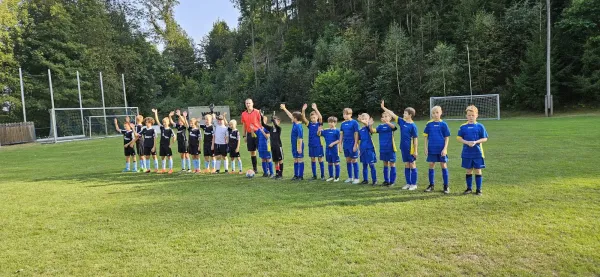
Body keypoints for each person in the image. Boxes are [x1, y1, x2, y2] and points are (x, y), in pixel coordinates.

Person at [381, 101, 419, 190]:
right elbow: (392, 114)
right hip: (403, 147)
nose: (403, 114)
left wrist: (416, 150)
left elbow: (415, 139)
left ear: (410, 115)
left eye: (405, 113)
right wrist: (383, 107)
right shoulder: (402, 122)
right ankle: (408, 183)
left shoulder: (413, 126)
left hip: (411, 148)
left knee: (412, 164)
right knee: (406, 164)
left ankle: (414, 184)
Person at [457, 105, 488, 196]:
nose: (471, 117)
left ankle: (479, 189)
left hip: (478, 153)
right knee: (468, 170)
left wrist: (476, 142)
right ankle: (469, 188)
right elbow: (459, 138)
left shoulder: (480, 126)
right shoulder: (463, 127)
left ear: (476, 115)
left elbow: (485, 138)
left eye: (472, 115)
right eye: (469, 115)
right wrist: (466, 142)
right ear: (466, 116)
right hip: (467, 153)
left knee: (478, 170)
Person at [423, 106, 451, 194]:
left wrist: (445, 149)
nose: (435, 115)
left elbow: (447, 137)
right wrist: (425, 147)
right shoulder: (429, 124)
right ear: (431, 114)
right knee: (431, 164)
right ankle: (431, 185)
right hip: (432, 149)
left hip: (441, 149)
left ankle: (446, 186)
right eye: (433, 113)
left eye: (437, 112)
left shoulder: (444, 124)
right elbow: (426, 137)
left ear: (441, 113)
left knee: (443, 165)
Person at [371, 112, 398, 186]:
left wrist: (387, 122)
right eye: (383, 116)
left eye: (386, 116)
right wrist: (370, 125)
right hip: (383, 149)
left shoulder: (391, 125)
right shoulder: (380, 126)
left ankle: (392, 181)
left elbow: (394, 128)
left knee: (392, 164)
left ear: (390, 118)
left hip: (391, 148)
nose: (385, 118)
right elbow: (373, 131)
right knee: (385, 164)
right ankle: (386, 180)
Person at [281, 104, 305, 181]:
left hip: (298, 145)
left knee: (300, 159)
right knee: (295, 159)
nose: (291, 118)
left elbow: (300, 138)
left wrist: (299, 148)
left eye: (293, 117)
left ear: (296, 118)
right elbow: (290, 115)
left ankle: (300, 176)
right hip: (294, 145)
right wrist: (284, 109)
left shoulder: (299, 126)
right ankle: (296, 175)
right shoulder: (295, 123)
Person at [303, 103, 325, 180]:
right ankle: (314, 175)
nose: (313, 119)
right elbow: (303, 118)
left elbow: (321, 117)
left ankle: (322, 176)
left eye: (314, 117)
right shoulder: (309, 125)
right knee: (312, 159)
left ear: (317, 117)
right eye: (312, 118)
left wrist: (315, 108)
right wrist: (303, 110)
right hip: (311, 145)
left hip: (318, 145)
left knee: (320, 159)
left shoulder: (319, 124)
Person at [340, 108, 360, 184]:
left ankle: (356, 178)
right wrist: (340, 145)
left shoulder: (354, 123)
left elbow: (356, 134)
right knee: (348, 160)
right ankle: (350, 177)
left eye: (347, 114)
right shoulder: (342, 124)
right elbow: (341, 135)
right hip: (346, 145)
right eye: (344, 114)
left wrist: (355, 145)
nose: (345, 115)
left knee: (354, 160)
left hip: (353, 144)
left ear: (351, 114)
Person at [241, 99, 262, 172]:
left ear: (252, 103)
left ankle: (266, 168)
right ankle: (255, 168)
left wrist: (263, 133)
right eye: (246, 103)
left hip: (258, 133)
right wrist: (244, 135)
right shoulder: (243, 114)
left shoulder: (257, 112)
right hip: (249, 134)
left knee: (261, 150)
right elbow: (244, 125)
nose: (248, 104)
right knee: (252, 151)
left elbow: (261, 122)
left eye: (249, 103)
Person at [357, 113, 377, 186]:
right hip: (363, 149)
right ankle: (365, 180)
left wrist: (362, 120)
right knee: (364, 165)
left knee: (371, 165)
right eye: (363, 118)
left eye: (365, 119)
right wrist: (359, 149)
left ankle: (374, 180)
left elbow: (367, 125)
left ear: (368, 120)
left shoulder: (369, 128)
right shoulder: (360, 130)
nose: (364, 120)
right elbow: (359, 141)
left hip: (369, 149)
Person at [319, 116, 341, 182]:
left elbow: (340, 139)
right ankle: (331, 176)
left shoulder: (337, 131)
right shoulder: (326, 130)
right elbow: (319, 134)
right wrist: (319, 130)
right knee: (329, 163)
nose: (331, 124)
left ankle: (337, 177)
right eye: (329, 122)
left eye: (332, 122)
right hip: (327, 149)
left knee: (336, 162)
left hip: (335, 149)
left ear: (335, 123)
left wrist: (333, 143)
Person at [153, 109, 176, 174]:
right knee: (163, 157)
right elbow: (157, 121)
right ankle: (163, 169)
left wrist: (171, 144)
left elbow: (174, 137)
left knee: (169, 157)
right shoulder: (162, 128)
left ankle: (171, 169)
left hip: (167, 145)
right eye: (163, 122)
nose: (164, 123)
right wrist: (155, 113)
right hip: (162, 144)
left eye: (165, 122)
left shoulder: (170, 130)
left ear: (168, 123)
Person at [263, 114, 284, 179]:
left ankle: (280, 174)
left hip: (278, 147)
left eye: (276, 121)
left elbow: (275, 125)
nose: (274, 123)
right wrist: (261, 116)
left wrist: (273, 119)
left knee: (280, 160)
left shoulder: (278, 129)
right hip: (273, 147)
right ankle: (277, 173)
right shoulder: (270, 129)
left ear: (279, 122)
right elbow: (263, 124)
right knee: (275, 161)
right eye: (273, 122)